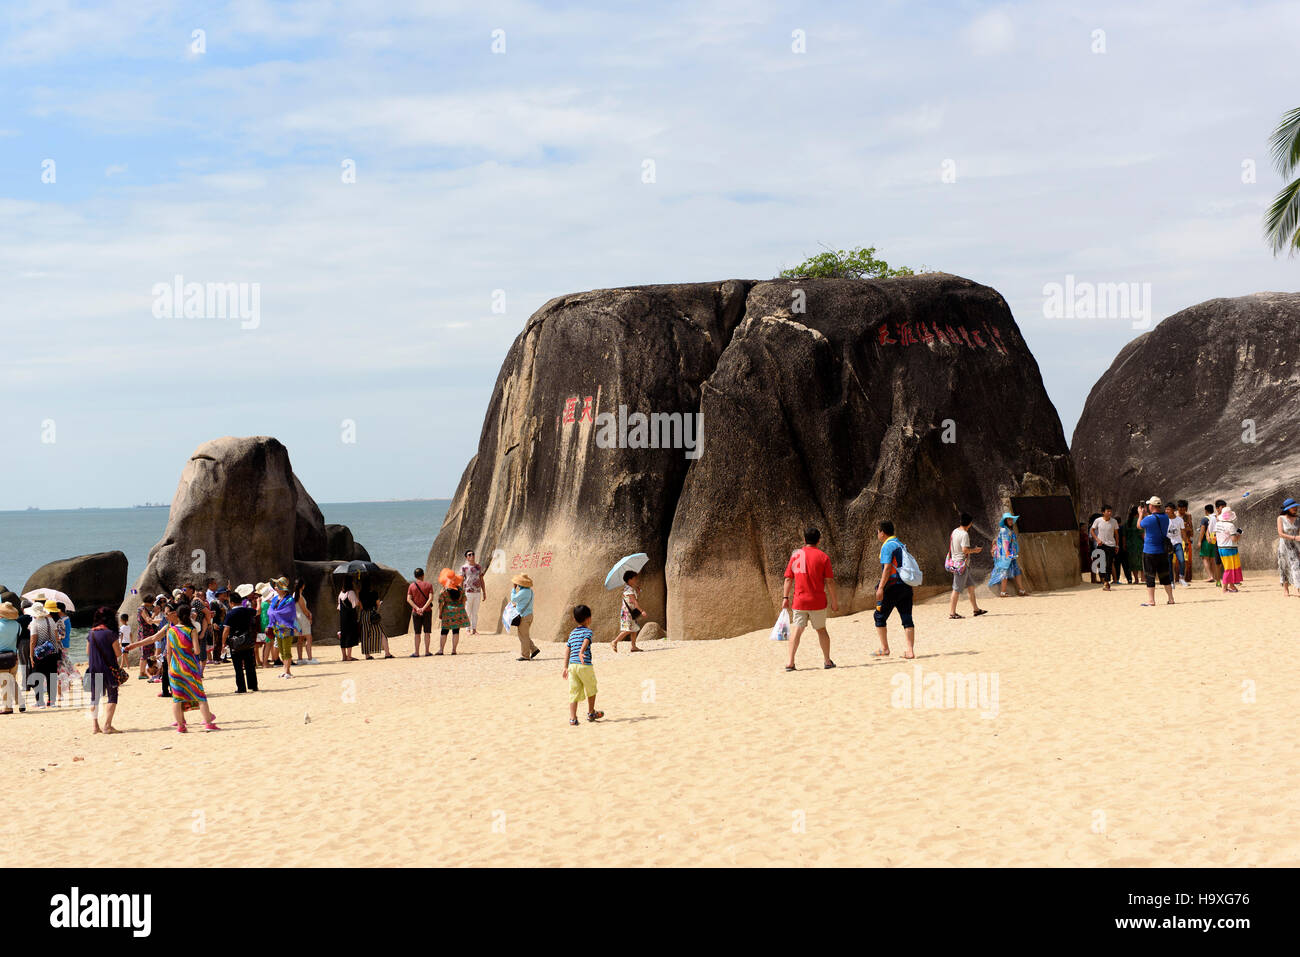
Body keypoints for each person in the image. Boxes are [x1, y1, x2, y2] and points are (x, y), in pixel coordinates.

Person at [781, 526, 838, 671]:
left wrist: (785, 597)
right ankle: (827, 661)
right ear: (819, 540)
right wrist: (834, 601)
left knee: (797, 630)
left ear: (804, 539)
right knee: (821, 630)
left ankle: (790, 662)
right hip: (817, 601)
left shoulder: (796, 555)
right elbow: (829, 581)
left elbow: (788, 579)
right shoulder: (823, 557)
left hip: (800, 601)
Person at [156, 602, 219, 732]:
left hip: (174, 667)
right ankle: (208, 723)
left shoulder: (171, 630)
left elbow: (168, 652)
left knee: (177, 698)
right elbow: (196, 651)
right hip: (189, 667)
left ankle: (181, 726)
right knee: (200, 695)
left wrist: (168, 668)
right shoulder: (191, 630)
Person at [83, 607, 124, 733]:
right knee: (112, 696)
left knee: (95, 698)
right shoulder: (110, 634)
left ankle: (95, 726)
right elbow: (117, 653)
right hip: (109, 669)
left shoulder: (91, 633)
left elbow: (87, 651)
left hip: (94, 668)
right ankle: (107, 725)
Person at [563, 604, 602, 725]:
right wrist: (581, 651)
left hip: (572, 666)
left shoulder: (572, 633)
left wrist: (565, 666)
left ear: (575, 619)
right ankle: (591, 713)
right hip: (584, 664)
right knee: (591, 688)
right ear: (589, 618)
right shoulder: (588, 631)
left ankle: (573, 718)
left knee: (573, 691)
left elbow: (567, 649)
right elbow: (586, 640)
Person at [947, 513, 987, 618]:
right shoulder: (964, 534)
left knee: (971, 586)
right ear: (969, 524)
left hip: (957, 562)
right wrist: (975, 550)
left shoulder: (955, 531)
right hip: (961, 565)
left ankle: (976, 609)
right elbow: (964, 550)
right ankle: (952, 613)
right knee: (956, 589)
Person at [28, 600, 64, 707]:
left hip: (40, 654)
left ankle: (40, 702)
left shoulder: (35, 623)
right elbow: (57, 638)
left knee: (38, 676)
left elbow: (33, 641)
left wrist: (31, 655)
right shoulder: (51, 620)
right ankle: (51, 702)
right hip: (52, 652)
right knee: (51, 677)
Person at [1140, 495, 1175, 606]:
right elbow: (1154, 520)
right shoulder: (1165, 517)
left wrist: (1141, 514)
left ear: (1152, 506)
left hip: (1149, 550)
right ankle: (1171, 598)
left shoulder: (1148, 519)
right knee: (1165, 575)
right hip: (1162, 551)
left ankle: (1151, 600)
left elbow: (1139, 525)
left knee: (1150, 576)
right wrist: (1146, 515)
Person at [222, 593, 259, 693]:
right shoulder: (248, 610)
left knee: (238, 667)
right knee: (250, 665)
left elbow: (226, 630)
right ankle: (253, 685)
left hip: (235, 643)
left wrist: (223, 642)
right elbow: (257, 612)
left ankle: (241, 688)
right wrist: (258, 602)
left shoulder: (230, 614)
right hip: (248, 640)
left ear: (232, 602)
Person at [987, 513, 1028, 597]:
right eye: (1008, 519)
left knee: (1017, 571)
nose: (1010, 521)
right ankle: (1003, 592)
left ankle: (1021, 590)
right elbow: (1005, 543)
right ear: (1005, 521)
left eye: (1011, 519)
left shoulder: (1008, 530)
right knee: (1004, 572)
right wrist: (1007, 554)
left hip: (1010, 554)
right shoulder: (1004, 530)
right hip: (1005, 555)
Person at [266, 577, 298, 678]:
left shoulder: (289, 599)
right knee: (281, 649)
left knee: (286, 650)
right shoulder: (275, 599)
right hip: (276, 628)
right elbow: (270, 611)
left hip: (286, 627)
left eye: (277, 585)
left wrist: (274, 613)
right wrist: (274, 614)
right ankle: (285, 670)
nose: (275, 587)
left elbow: (288, 612)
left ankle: (287, 671)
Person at [610, 569, 644, 653]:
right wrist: (641, 611)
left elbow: (632, 599)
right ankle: (614, 642)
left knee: (634, 629)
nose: (636, 580)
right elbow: (634, 601)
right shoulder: (629, 590)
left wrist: (638, 592)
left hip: (630, 612)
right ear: (629, 579)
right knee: (628, 629)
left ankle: (633, 646)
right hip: (628, 613)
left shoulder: (629, 588)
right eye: (634, 579)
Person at [436, 570, 469, 655]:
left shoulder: (444, 591)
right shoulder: (460, 590)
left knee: (444, 631)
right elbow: (464, 600)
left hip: (447, 612)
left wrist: (440, 613)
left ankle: (441, 650)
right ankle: (454, 650)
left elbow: (441, 603)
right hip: (458, 611)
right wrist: (461, 610)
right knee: (456, 631)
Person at [358, 580, 394, 660]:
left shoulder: (360, 593)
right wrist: (376, 610)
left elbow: (361, 607)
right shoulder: (374, 593)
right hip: (373, 614)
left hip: (364, 615)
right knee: (381, 633)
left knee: (365, 634)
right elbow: (378, 604)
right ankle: (387, 653)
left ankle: (367, 655)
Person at [1090, 505, 1120, 590]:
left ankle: (1106, 582)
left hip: (1111, 545)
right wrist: (1097, 539)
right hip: (1101, 545)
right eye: (1108, 511)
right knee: (1100, 563)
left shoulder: (1114, 521)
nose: (1110, 513)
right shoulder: (1098, 520)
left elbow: (1116, 534)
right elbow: (1092, 530)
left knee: (1109, 564)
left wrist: (1117, 545)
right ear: (1103, 512)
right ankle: (1103, 579)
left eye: (1110, 511)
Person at [510, 574, 539, 661]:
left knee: (523, 636)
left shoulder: (523, 592)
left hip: (524, 616)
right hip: (529, 615)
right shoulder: (530, 591)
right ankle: (534, 649)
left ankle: (525, 655)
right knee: (524, 635)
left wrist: (513, 589)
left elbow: (513, 599)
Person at [407, 568, 434, 656]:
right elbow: (430, 598)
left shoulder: (412, 586)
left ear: (415, 576)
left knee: (417, 633)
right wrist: (423, 608)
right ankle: (427, 651)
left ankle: (417, 652)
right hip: (427, 611)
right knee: (427, 632)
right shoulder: (429, 585)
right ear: (423, 575)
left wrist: (417, 608)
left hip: (416, 612)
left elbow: (409, 599)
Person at [0, 602, 21, 715]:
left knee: (4, 683)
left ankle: (7, 708)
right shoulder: (18, 625)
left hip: (1, 657)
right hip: (14, 657)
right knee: (12, 681)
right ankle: (21, 703)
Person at [459, 551, 486, 636]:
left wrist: (484, 591)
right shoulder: (464, 567)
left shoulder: (478, 567)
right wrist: (461, 592)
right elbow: (461, 580)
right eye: (469, 555)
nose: (472, 556)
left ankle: (474, 629)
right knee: (468, 611)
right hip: (467, 592)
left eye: (473, 554)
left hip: (477, 592)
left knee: (475, 612)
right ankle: (468, 629)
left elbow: (481, 579)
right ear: (466, 557)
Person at [1217, 507, 1243, 592]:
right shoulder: (1230, 525)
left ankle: (1231, 586)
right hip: (1229, 549)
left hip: (1221, 548)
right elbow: (1234, 539)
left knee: (1229, 568)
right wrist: (1239, 533)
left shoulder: (1218, 524)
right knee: (1229, 569)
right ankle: (1224, 588)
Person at [1164, 503, 1188, 587]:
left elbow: (1183, 531)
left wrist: (1186, 542)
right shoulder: (1164, 520)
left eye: (1168, 509)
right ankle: (1171, 581)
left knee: (1181, 560)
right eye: (1166, 509)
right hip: (1168, 544)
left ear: (1173, 510)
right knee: (1169, 563)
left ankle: (1181, 578)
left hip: (1177, 543)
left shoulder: (1179, 520)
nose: (1166, 511)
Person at [292, 580, 315, 665]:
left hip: (297, 618)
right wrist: (309, 616)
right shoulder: (299, 596)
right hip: (302, 618)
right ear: (302, 586)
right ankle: (310, 658)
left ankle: (300, 659)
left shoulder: (294, 594)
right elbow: (304, 610)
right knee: (309, 638)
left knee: (300, 638)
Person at [338, 580, 361, 661]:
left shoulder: (341, 593)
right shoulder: (351, 592)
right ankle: (349, 656)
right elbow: (356, 603)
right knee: (349, 635)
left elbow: (339, 607)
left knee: (343, 635)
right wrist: (357, 593)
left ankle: (344, 656)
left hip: (342, 617)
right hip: (350, 617)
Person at [1122, 505, 1144, 585]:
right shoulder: (1140, 522)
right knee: (1142, 561)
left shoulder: (1127, 522)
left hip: (1130, 545)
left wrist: (1124, 545)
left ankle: (1136, 579)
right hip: (1139, 544)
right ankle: (1143, 578)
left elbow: (1124, 536)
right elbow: (1142, 535)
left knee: (1133, 562)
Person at [1197, 504, 1218, 583]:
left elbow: (1202, 531)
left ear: (1206, 511)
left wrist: (1199, 541)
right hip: (1214, 540)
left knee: (1205, 559)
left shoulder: (1205, 519)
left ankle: (1210, 576)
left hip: (1206, 541)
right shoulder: (1215, 518)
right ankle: (1215, 576)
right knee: (1212, 559)